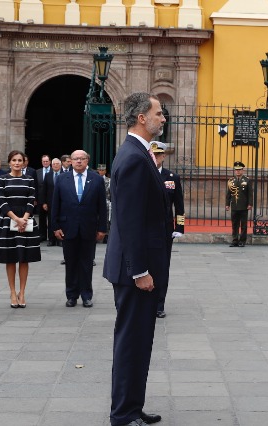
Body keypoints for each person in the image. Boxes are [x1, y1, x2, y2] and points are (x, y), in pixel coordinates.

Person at [103, 92, 167, 426]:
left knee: (141, 341)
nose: (163, 118)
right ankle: (124, 414)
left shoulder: (138, 154)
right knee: (131, 342)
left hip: (139, 269)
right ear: (141, 117)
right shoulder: (132, 158)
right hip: (134, 272)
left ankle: (132, 405)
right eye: (159, 113)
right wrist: (140, 270)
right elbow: (127, 222)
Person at [51, 150, 107, 308]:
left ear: (87, 160)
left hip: (89, 228)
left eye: (82, 159)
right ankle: (71, 295)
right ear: (70, 161)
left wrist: (102, 228)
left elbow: (102, 206)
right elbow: (56, 204)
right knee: (71, 263)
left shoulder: (96, 179)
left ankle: (86, 295)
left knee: (87, 263)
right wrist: (55, 227)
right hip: (68, 227)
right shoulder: (62, 179)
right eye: (75, 159)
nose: (79, 161)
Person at [0, 150, 41, 309]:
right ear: (10, 162)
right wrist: (16, 219)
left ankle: (22, 292)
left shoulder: (30, 179)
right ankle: (12, 292)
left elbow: (31, 200)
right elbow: (2, 201)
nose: (17, 163)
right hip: (8, 220)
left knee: (24, 258)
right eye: (14, 160)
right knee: (11, 257)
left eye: (20, 160)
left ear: (24, 162)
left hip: (26, 220)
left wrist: (24, 218)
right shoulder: (2, 179)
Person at [151, 141, 185, 318]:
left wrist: (179, 226)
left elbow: (179, 205)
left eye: (159, 155)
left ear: (164, 156)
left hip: (165, 229)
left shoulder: (172, 177)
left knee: (162, 267)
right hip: (146, 229)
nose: (156, 158)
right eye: (153, 154)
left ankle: (159, 304)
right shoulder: (142, 175)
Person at [225, 161, 252, 247]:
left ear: (243, 170)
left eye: (239, 170)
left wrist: (250, 204)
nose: (238, 171)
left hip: (244, 206)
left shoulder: (247, 180)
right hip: (234, 206)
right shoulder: (231, 181)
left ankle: (242, 241)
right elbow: (228, 194)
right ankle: (235, 240)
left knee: (243, 225)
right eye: (236, 170)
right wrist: (227, 204)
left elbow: (250, 194)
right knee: (234, 224)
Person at [41, 158, 62, 246]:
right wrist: (44, 202)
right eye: (54, 164)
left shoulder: (65, 175)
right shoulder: (48, 175)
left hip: (62, 202)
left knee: (61, 221)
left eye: (57, 164)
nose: (55, 165)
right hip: (50, 202)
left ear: (60, 165)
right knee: (51, 220)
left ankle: (60, 239)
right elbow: (44, 190)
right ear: (51, 165)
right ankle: (51, 239)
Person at [36, 154, 51, 242]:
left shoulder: (54, 171)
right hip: (40, 199)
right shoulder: (37, 172)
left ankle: (51, 236)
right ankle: (42, 235)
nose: (45, 163)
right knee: (41, 219)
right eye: (43, 161)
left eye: (47, 161)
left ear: (49, 161)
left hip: (50, 199)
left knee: (51, 218)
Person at [97, 164, 111, 244]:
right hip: (96, 201)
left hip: (106, 201)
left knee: (107, 220)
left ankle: (106, 236)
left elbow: (111, 192)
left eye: (103, 170)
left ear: (105, 171)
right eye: (100, 170)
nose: (101, 171)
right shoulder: (95, 179)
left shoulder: (109, 180)